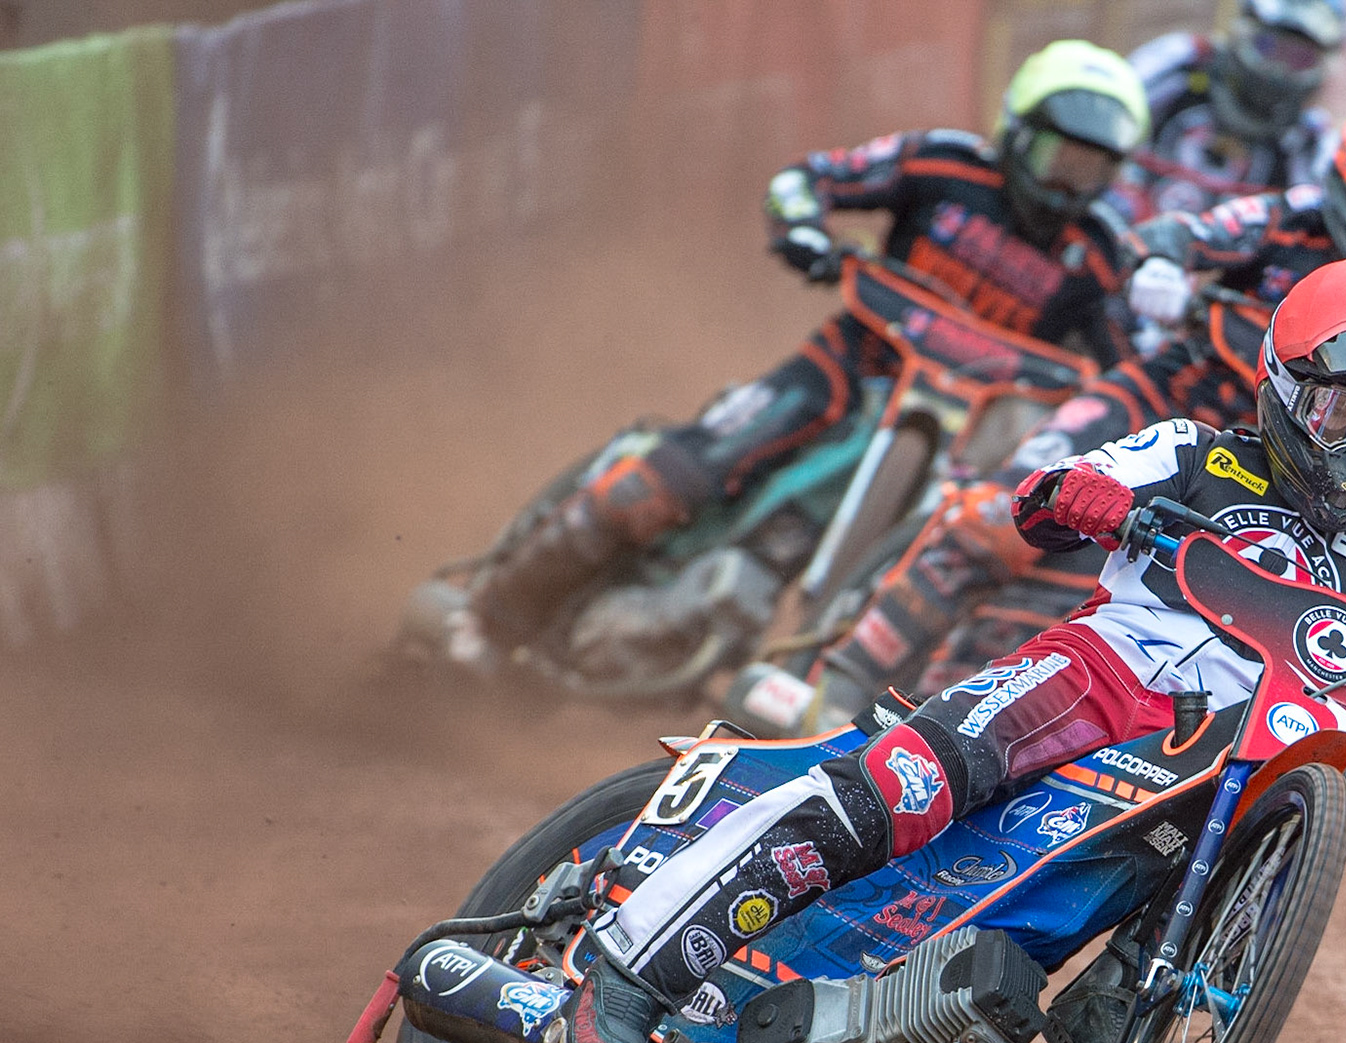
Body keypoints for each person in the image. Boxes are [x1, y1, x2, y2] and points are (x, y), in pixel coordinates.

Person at [552, 259, 1346, 1043]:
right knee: (909, 780)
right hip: (1097, 672)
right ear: (1282, 389)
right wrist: (1084, 492)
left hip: (1226, 753)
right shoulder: (1193, 450)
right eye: (1341, 411)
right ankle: (632, 974)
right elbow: (1044, 498)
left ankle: (1139, 981)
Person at [782, 91, 1346, 727]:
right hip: (1153, 401)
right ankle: (829, 676)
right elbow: (1182, 230)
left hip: (1258, 476)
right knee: (995, 517)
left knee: (1069, 595)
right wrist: (1159, 261)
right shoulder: (1287, 218)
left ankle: (944, 714)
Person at [443, 40, 1150, 669]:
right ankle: (489, 612)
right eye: (1059, 159)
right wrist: (805, 231)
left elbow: (1131, 369)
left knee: (964, 545)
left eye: (1090, 173)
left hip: (962, 426)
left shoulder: (1097, 257)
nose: (1067, 186)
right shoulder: (943, 164)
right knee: (670, 478)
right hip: (842, 370)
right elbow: (807, 179)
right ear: (1018, 133)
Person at [1109, 0, 1346, 221]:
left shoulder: (1309, 140)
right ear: (1242, 32)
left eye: (1301, 59)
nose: (1278, 70)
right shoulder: (1182, 63)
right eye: (1267, 47)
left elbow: (1315, 222)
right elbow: (1103, 113)